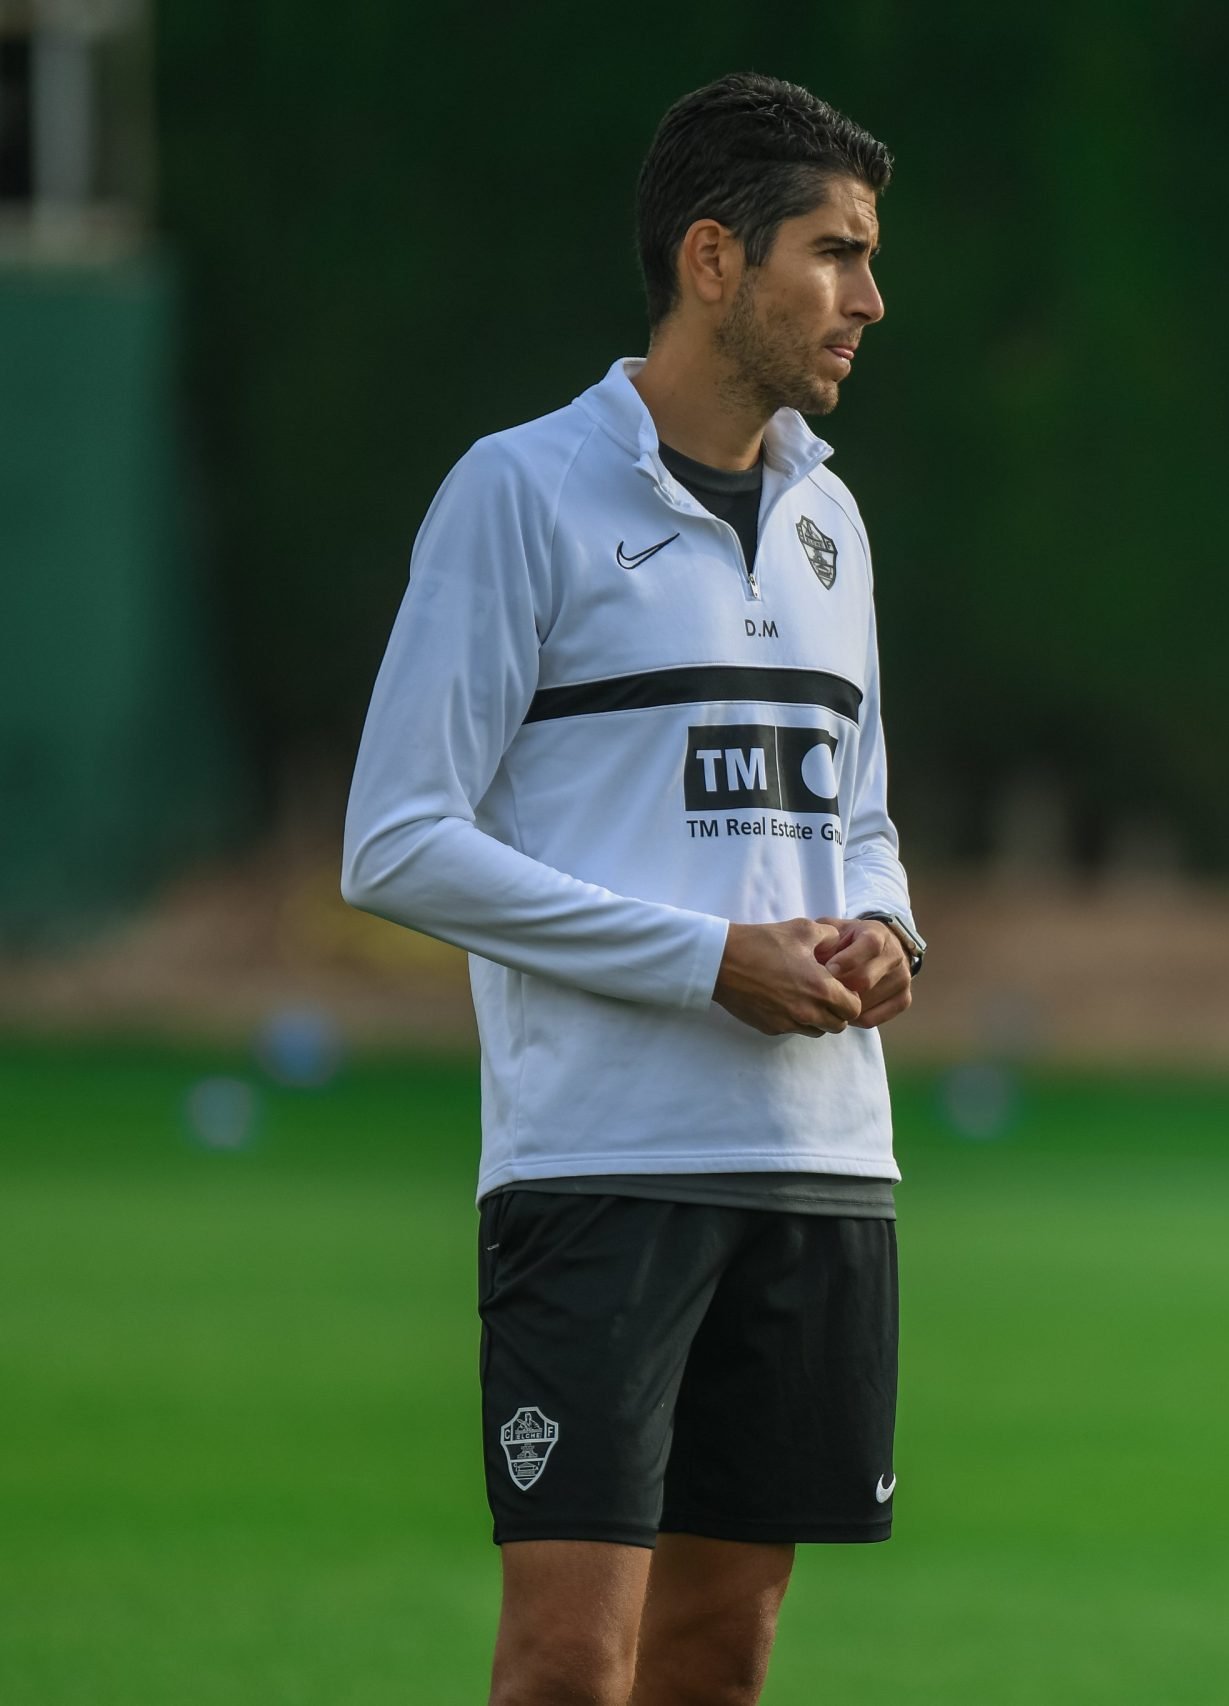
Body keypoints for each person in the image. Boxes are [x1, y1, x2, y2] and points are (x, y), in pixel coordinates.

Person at [342, 73, 925, 1706]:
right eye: (838, 254)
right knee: (561, 1668)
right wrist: (701, 960)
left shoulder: (831, 516)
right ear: (714, 260)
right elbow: (394, 837)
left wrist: (888, 928)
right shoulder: (517, 492)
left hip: (821, 1161)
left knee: (720, 1659)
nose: (871, 299)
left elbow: (858, 810)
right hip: (602, 1167)